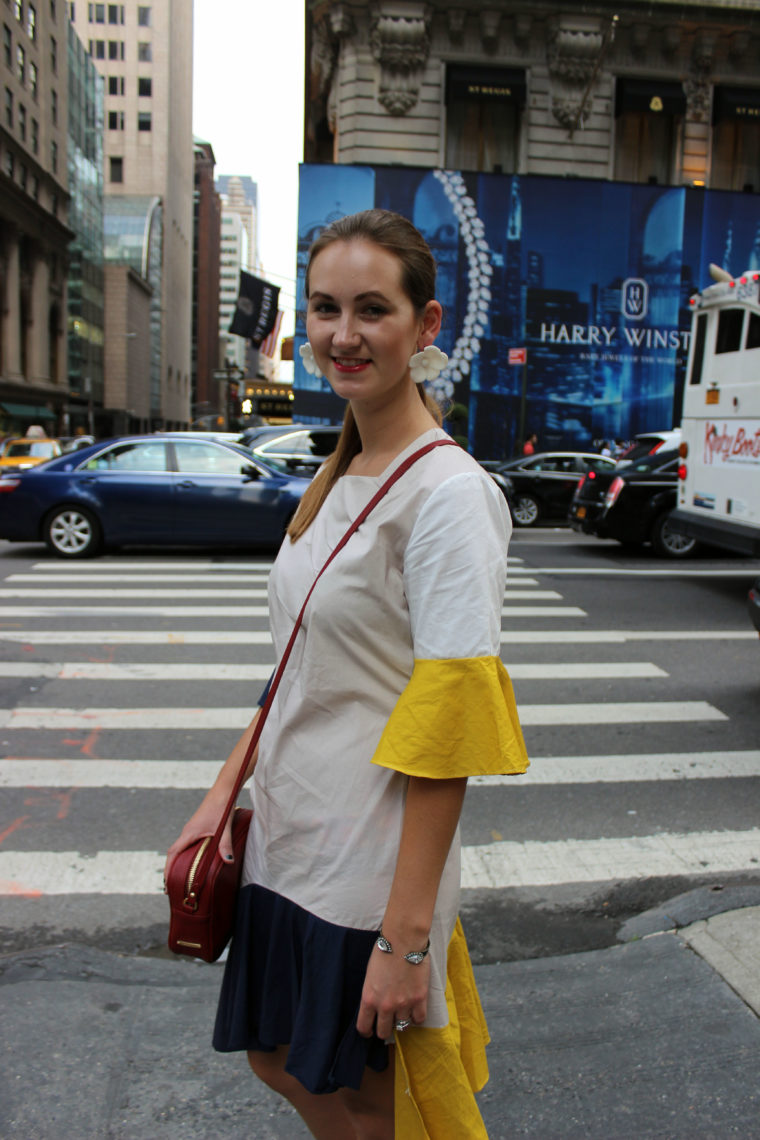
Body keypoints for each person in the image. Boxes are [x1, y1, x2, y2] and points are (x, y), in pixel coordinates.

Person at [165, 209, 529, 1140]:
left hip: (365, 868)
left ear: (427, 323)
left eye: (374, 309)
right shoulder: (343, 468)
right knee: (276, 1057)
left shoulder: (449, 496)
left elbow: (448, 734)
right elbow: (298, 665)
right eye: (326, 308)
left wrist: (406, 941)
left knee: (369, 1103)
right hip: (291, 840)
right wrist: (220, 795)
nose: (343, 334)